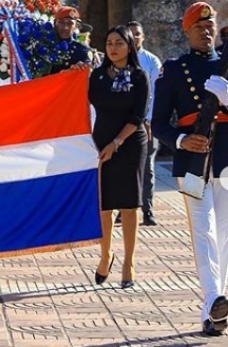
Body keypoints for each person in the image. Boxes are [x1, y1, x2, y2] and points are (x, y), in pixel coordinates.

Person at [152, 1, 228, 337]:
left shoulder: (226, 66)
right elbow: (158, 124)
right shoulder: (174, 68)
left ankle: (217, 309)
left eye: (210, 25)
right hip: (192, 162)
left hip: (226, 158)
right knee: (203, 231)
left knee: (226, 235)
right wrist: (182, 141)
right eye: (200, 26)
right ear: (188, 31)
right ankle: (214, 297)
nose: (207, 31)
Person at [88, 25, 149, 291]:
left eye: (119, 43)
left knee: (129, 203)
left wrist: (117, 143)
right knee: (104, 203)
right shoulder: (97, 76)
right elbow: (78, 100)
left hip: (130, 142)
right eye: (109, 43)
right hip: (101, 143)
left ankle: (129, 262)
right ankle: (106, 255)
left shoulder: (139, 76)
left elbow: (137, 117)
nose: (113, 48)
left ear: (130, 46)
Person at [125, 20, 162, 226]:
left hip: (146, 124)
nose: (134, 38)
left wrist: (149, 120)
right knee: (125, 167)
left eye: (137, 34)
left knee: (146, 168)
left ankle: (147, 210)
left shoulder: (151, 62)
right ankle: (125, 208)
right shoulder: (119, 59)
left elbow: (157, 94)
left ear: (143, 37)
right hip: (123, 123)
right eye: (130, 34)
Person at [50, 6, 94, 74]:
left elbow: (88, 70)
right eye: (61, 22)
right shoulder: (45, 45)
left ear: (76, 26)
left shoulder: (82, 49)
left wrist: (79, 68)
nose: (65, 28)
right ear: (55, 23)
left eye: (70, 23)